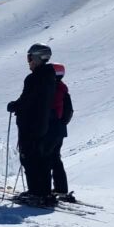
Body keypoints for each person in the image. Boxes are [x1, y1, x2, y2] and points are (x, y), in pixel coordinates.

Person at [7, 43, 58, 206]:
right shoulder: (50, 77)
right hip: (43, 124)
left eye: (29, 57)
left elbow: (27, 100)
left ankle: (36, 193)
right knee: (41, 158)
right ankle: (43, 191)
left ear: (37, 58)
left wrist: (14, 105)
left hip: (30, 124)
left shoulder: (34, 78)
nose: (28, 61)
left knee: (29, 158)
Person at [48, 63, 75, 202]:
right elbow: (69, 112)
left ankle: (45, 190)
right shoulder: (64, 90)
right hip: (60, 130)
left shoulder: (53, 89)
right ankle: (61, 188)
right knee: (55, 158)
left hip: (51, 129)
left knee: (47, 157)